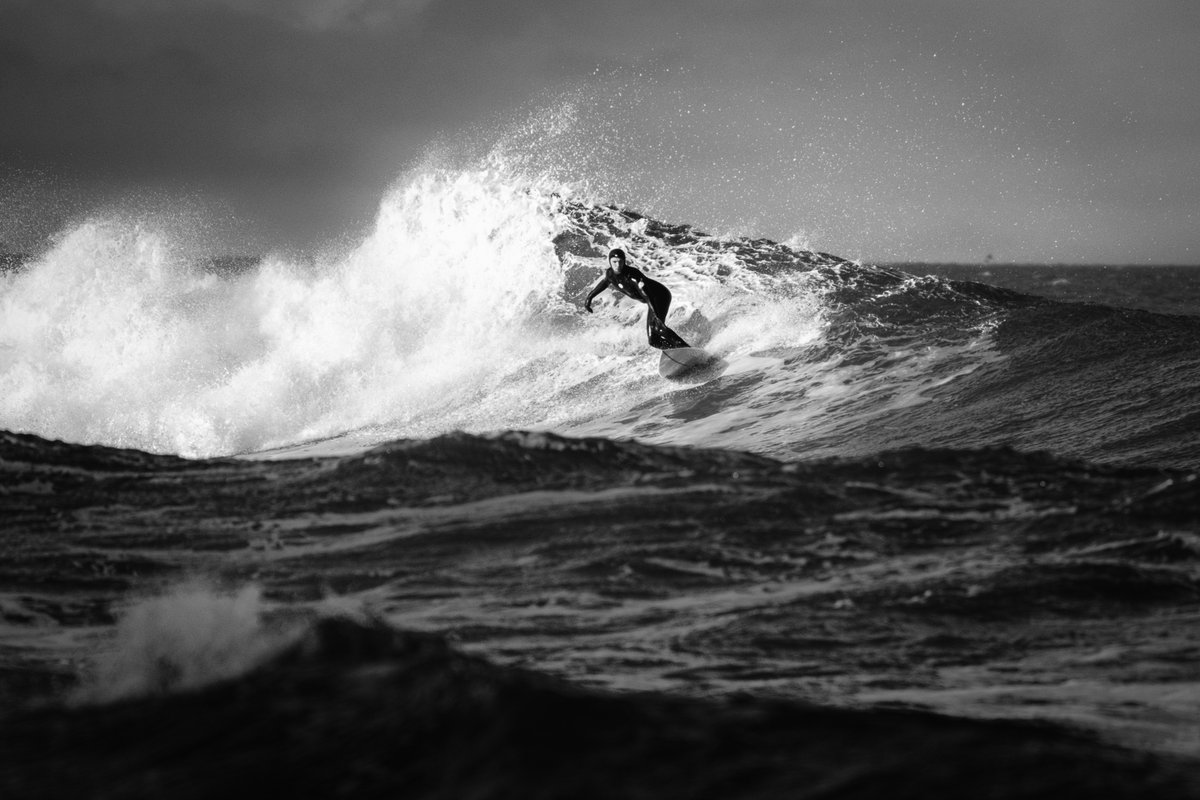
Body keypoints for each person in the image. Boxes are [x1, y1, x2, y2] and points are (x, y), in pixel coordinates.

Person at [584, 248, 689, 349]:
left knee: (659, 328)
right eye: (614, 262)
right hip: (651, 300)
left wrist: (657, 316)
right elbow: (605, 282)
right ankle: (675, 351)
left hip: (659, 296)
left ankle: (686, 349)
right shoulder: (610, 274)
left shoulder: (633, 277)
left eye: (620, 262)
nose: (618, 265)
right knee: (653, 340)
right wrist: (589, 298)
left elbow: (648, 296)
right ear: (610, 262)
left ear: (624, 261)